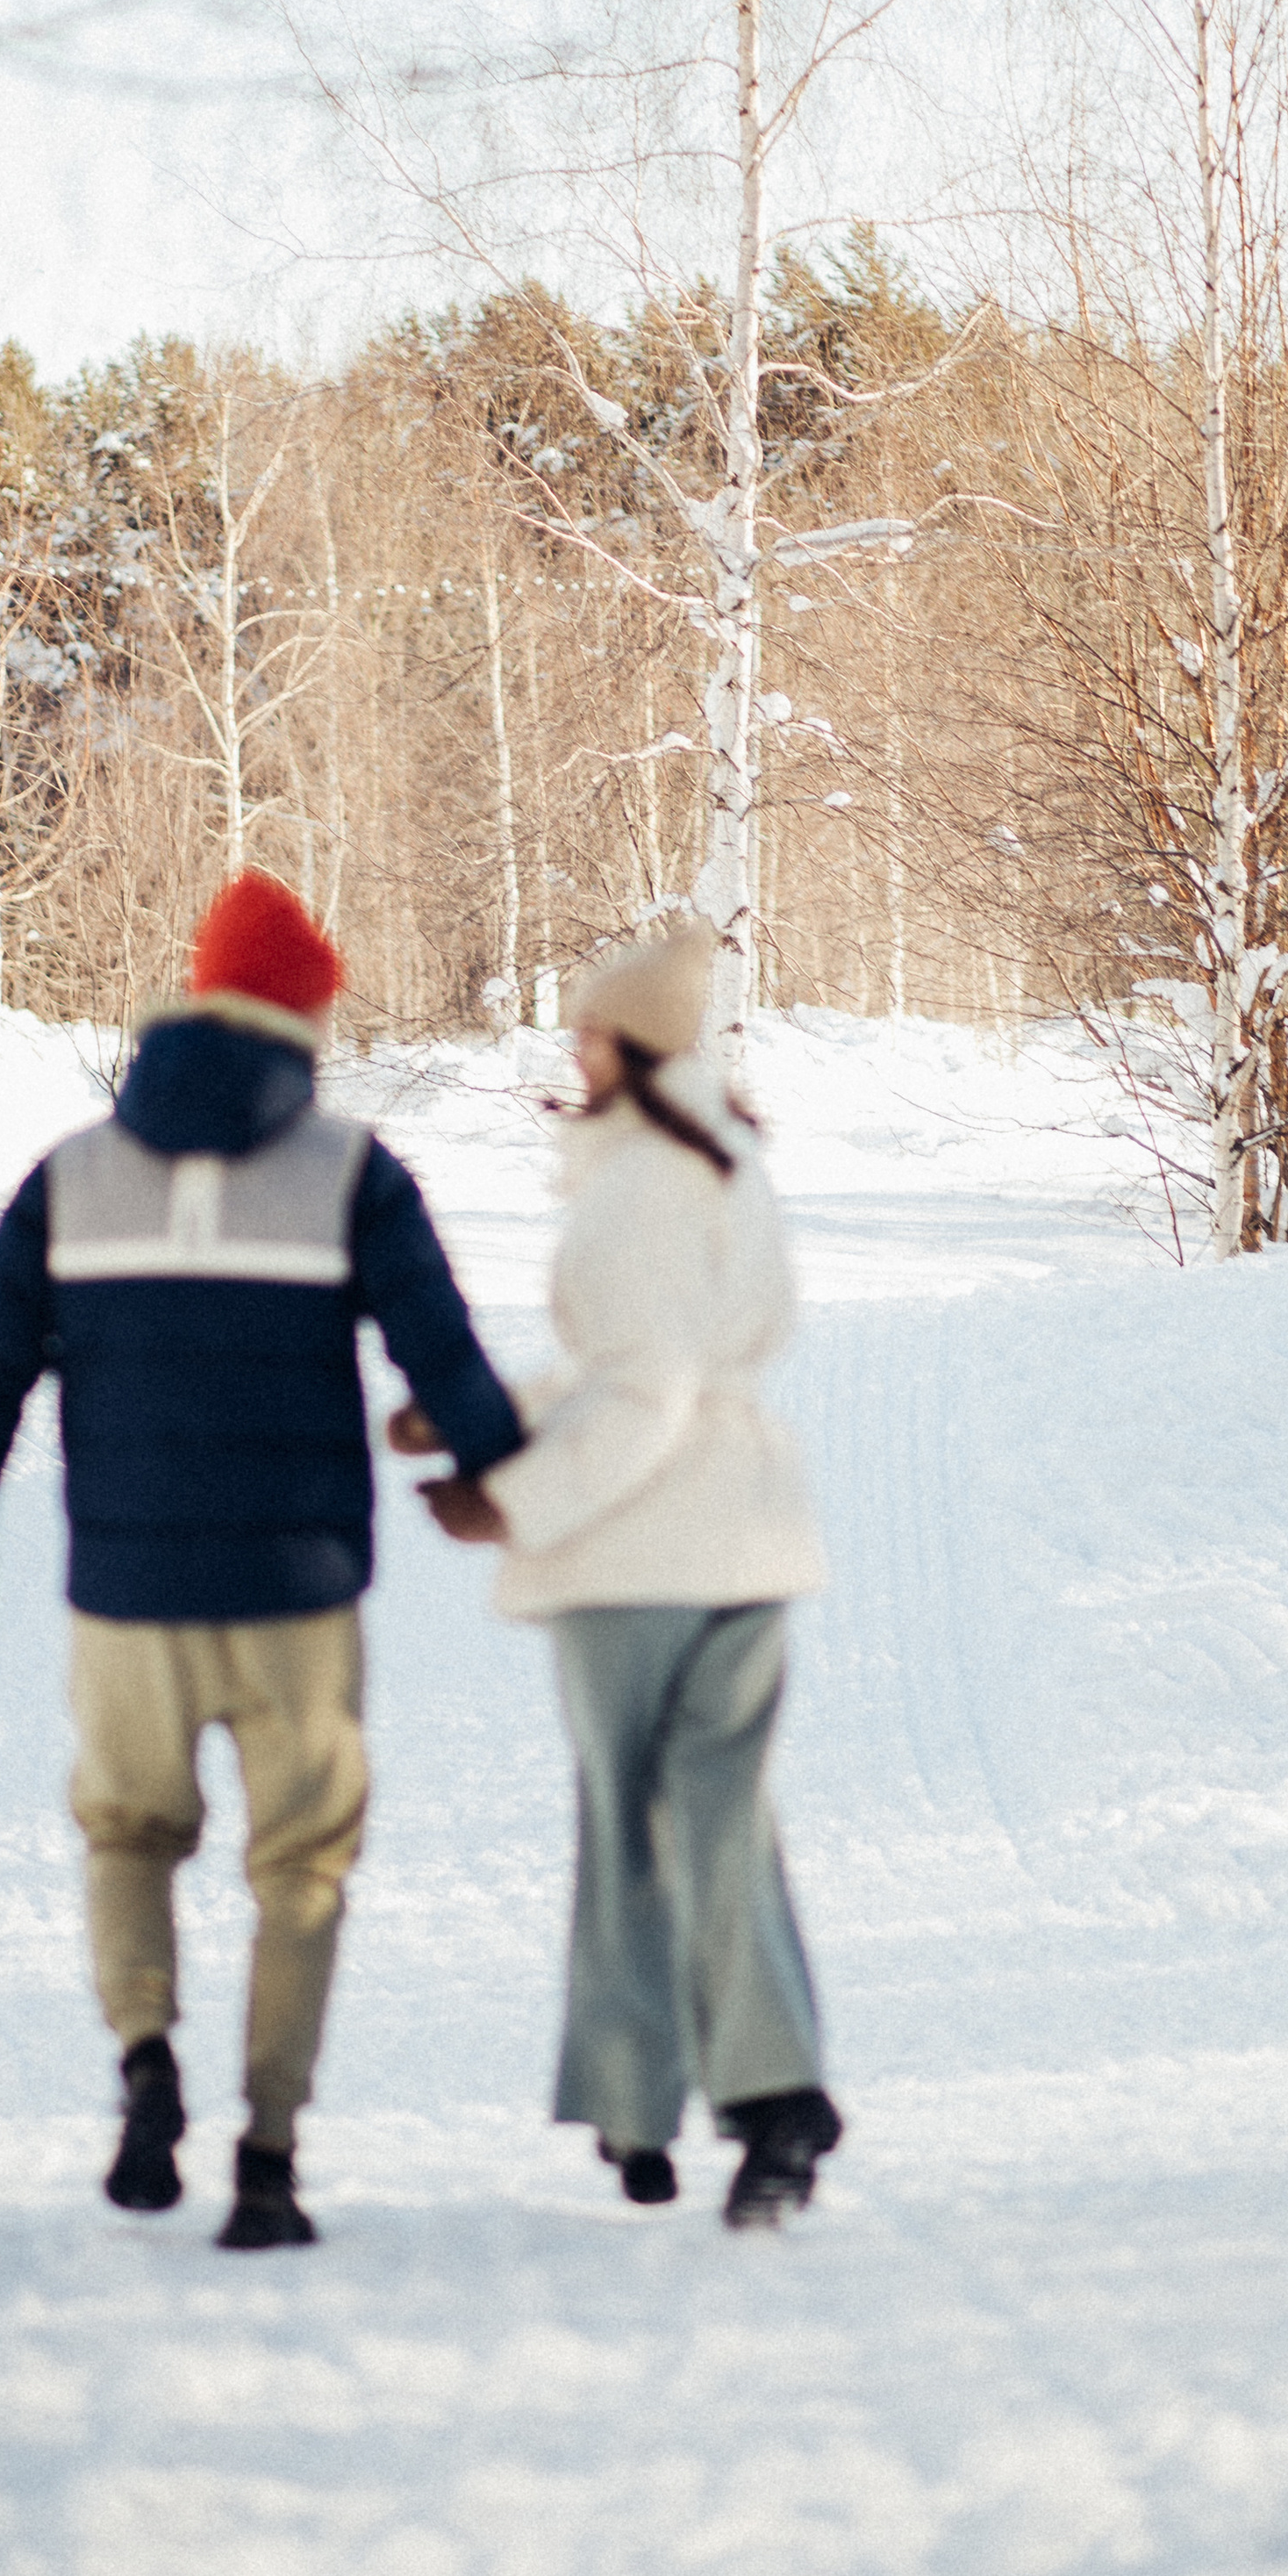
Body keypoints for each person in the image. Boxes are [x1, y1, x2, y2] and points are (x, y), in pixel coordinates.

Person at [0, 871, 525, 2251]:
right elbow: (445, 1356)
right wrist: (511, 1486)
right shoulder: (352, 1175)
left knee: (126, 1834)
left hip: (125, 1604)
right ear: (305, 1025)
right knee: (300, 1865)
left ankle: (146, 2066)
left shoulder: (68, 1178)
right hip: (297, 1597)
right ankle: (265, 2157)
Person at [406, 915, 843, 2228]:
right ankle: (769, 2096)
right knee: (721, 1820)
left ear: (640, 1049)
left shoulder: (641, 1184)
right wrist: (500, 1410)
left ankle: (642, 2103)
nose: (575, 1050)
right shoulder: (727, 1165)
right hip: (749, 1535)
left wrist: (510, 1497)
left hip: (640, 1559)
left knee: (633, 1830)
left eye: (593, 1031)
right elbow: (670, 1369)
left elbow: (643, 1394)